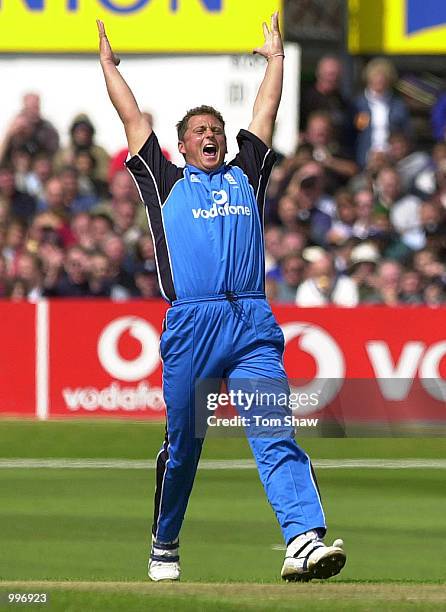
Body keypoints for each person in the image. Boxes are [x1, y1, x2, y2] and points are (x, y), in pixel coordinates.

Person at [97, 13, 346, 583]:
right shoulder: (163, 180)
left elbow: (266, 111)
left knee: (274, 429)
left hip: (251, 321)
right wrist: (110, 69)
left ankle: (302, 540)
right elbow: (132, 117)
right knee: (184, 443)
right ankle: (165, 540)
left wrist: (277, 59)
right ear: (182, 146)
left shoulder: (247, 173)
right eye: (199, 132)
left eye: (217, 130)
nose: (211, 136)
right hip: (192, 323)